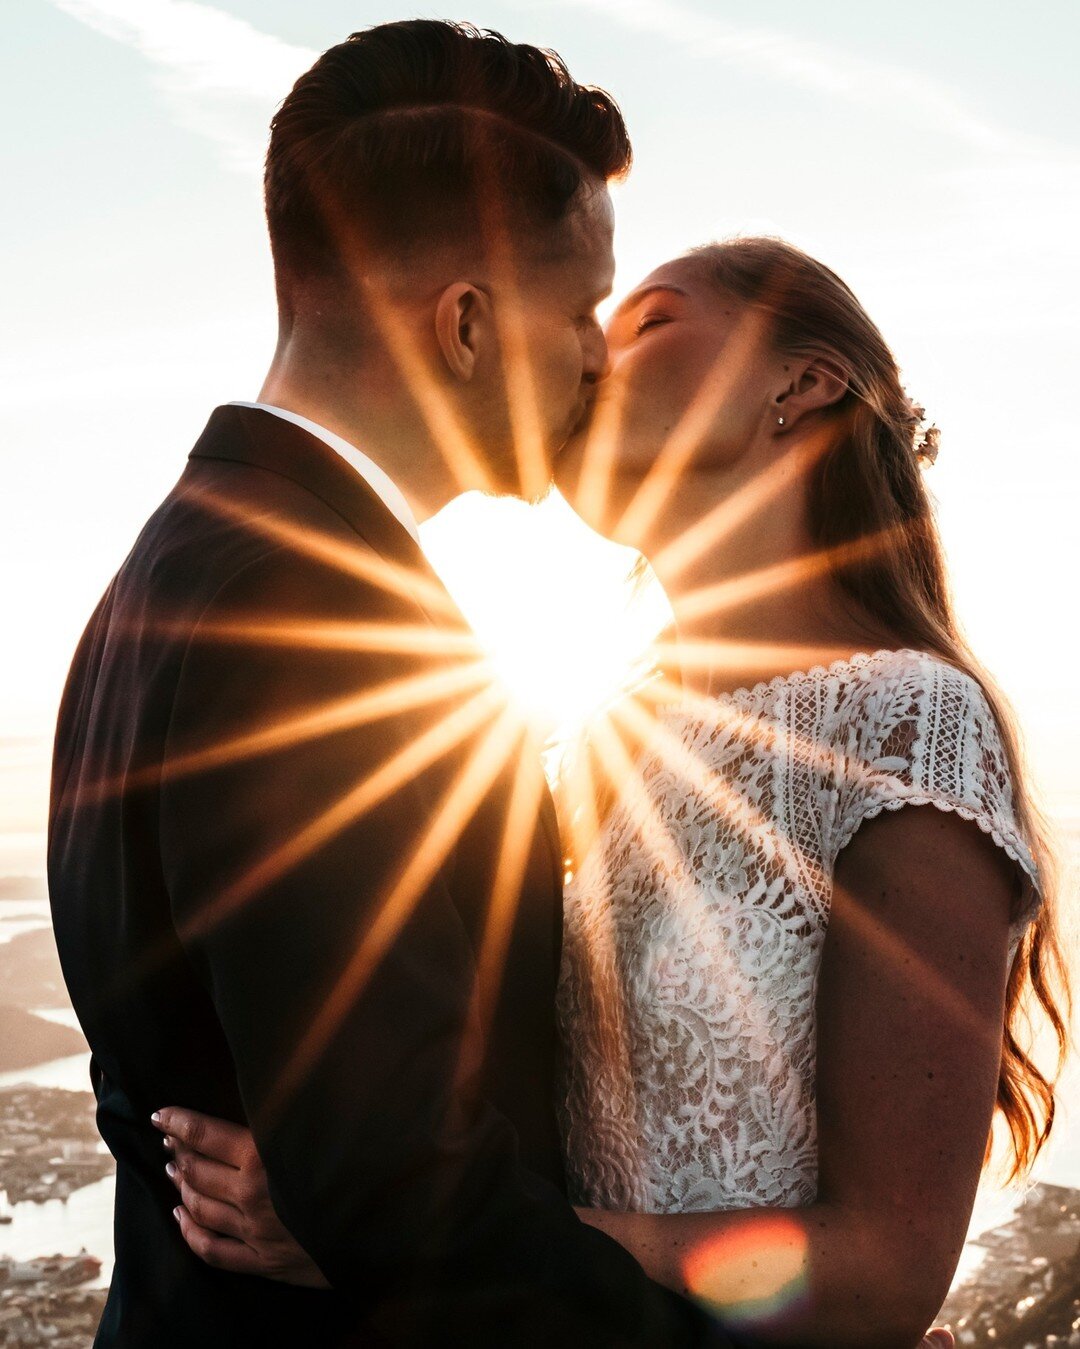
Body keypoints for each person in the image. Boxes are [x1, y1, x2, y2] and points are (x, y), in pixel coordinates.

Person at [161, 241, 1068, 1348]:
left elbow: (885, 1271)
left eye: (648, 324)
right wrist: (338, 1169)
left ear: (801, 381)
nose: (593, 355)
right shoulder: (596, 740)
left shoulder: (907, 727)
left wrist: (399, 1235)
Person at [48, 22, 758, 1348]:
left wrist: (330, 1188)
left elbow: (168, 1073)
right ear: (469, 325)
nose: (600, 357)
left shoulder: (169, 569)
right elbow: (406, 1195)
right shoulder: (310, 620)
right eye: (580, 311)